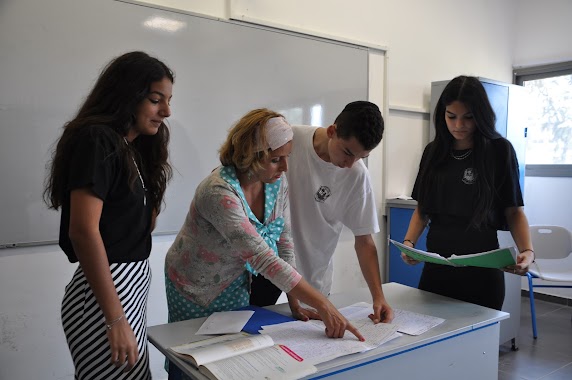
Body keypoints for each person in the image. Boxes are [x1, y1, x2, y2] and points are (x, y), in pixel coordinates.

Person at [164, 109, 364, 379]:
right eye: (275, 159)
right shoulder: (218, 192)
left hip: (235, 282)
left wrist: (296, 303)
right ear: (249, 155)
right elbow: (262, 257)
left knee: (230, 359)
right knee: (191, 361)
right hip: (195, 286)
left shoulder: (275, 182)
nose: (285, 167)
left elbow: (284, 240)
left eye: (287, 157)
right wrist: (325, 306)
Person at [43, 51, 174, 379]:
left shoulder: (132, 148)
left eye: (169, 101)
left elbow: (135, 225)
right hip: (104, 299)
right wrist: (115, 319)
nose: (166, 112)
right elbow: (83, 231)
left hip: (128, 289)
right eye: (156, 100)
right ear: (128, 94)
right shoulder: (97, 140)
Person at [250, 101, 394, 325]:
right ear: (332, 131)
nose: (350, 164)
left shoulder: (357, 174)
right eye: (347, 152)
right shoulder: (289, 142)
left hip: (312, 279)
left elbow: (364, 241)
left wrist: (378, 297)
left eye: (360, 157)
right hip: (264, 269)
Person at [401, 75, 535, 310]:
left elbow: (514, 211)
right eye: (451, 116)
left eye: (468, 118)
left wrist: (527, 251)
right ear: (442, 114)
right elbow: (423, 209)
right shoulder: (433, 152)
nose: (458, 125)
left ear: (481, 117)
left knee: (478, 343)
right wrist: (409, 242)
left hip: (482, 272)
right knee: (433, 340)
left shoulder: (499, 151)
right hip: (437, 268)